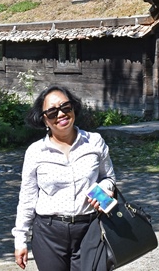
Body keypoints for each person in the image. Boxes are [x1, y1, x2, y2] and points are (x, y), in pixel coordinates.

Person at [13, 86, 115, 271]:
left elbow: (108, 177)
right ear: (44, 118)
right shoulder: (35, 152)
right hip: (49, 233)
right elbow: (27, 198)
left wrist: (104, 192)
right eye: (52, 112)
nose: (60, 114)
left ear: (73, 108)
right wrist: (20, 239)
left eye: (65, 107)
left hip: (90, 228)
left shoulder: (94, 142)